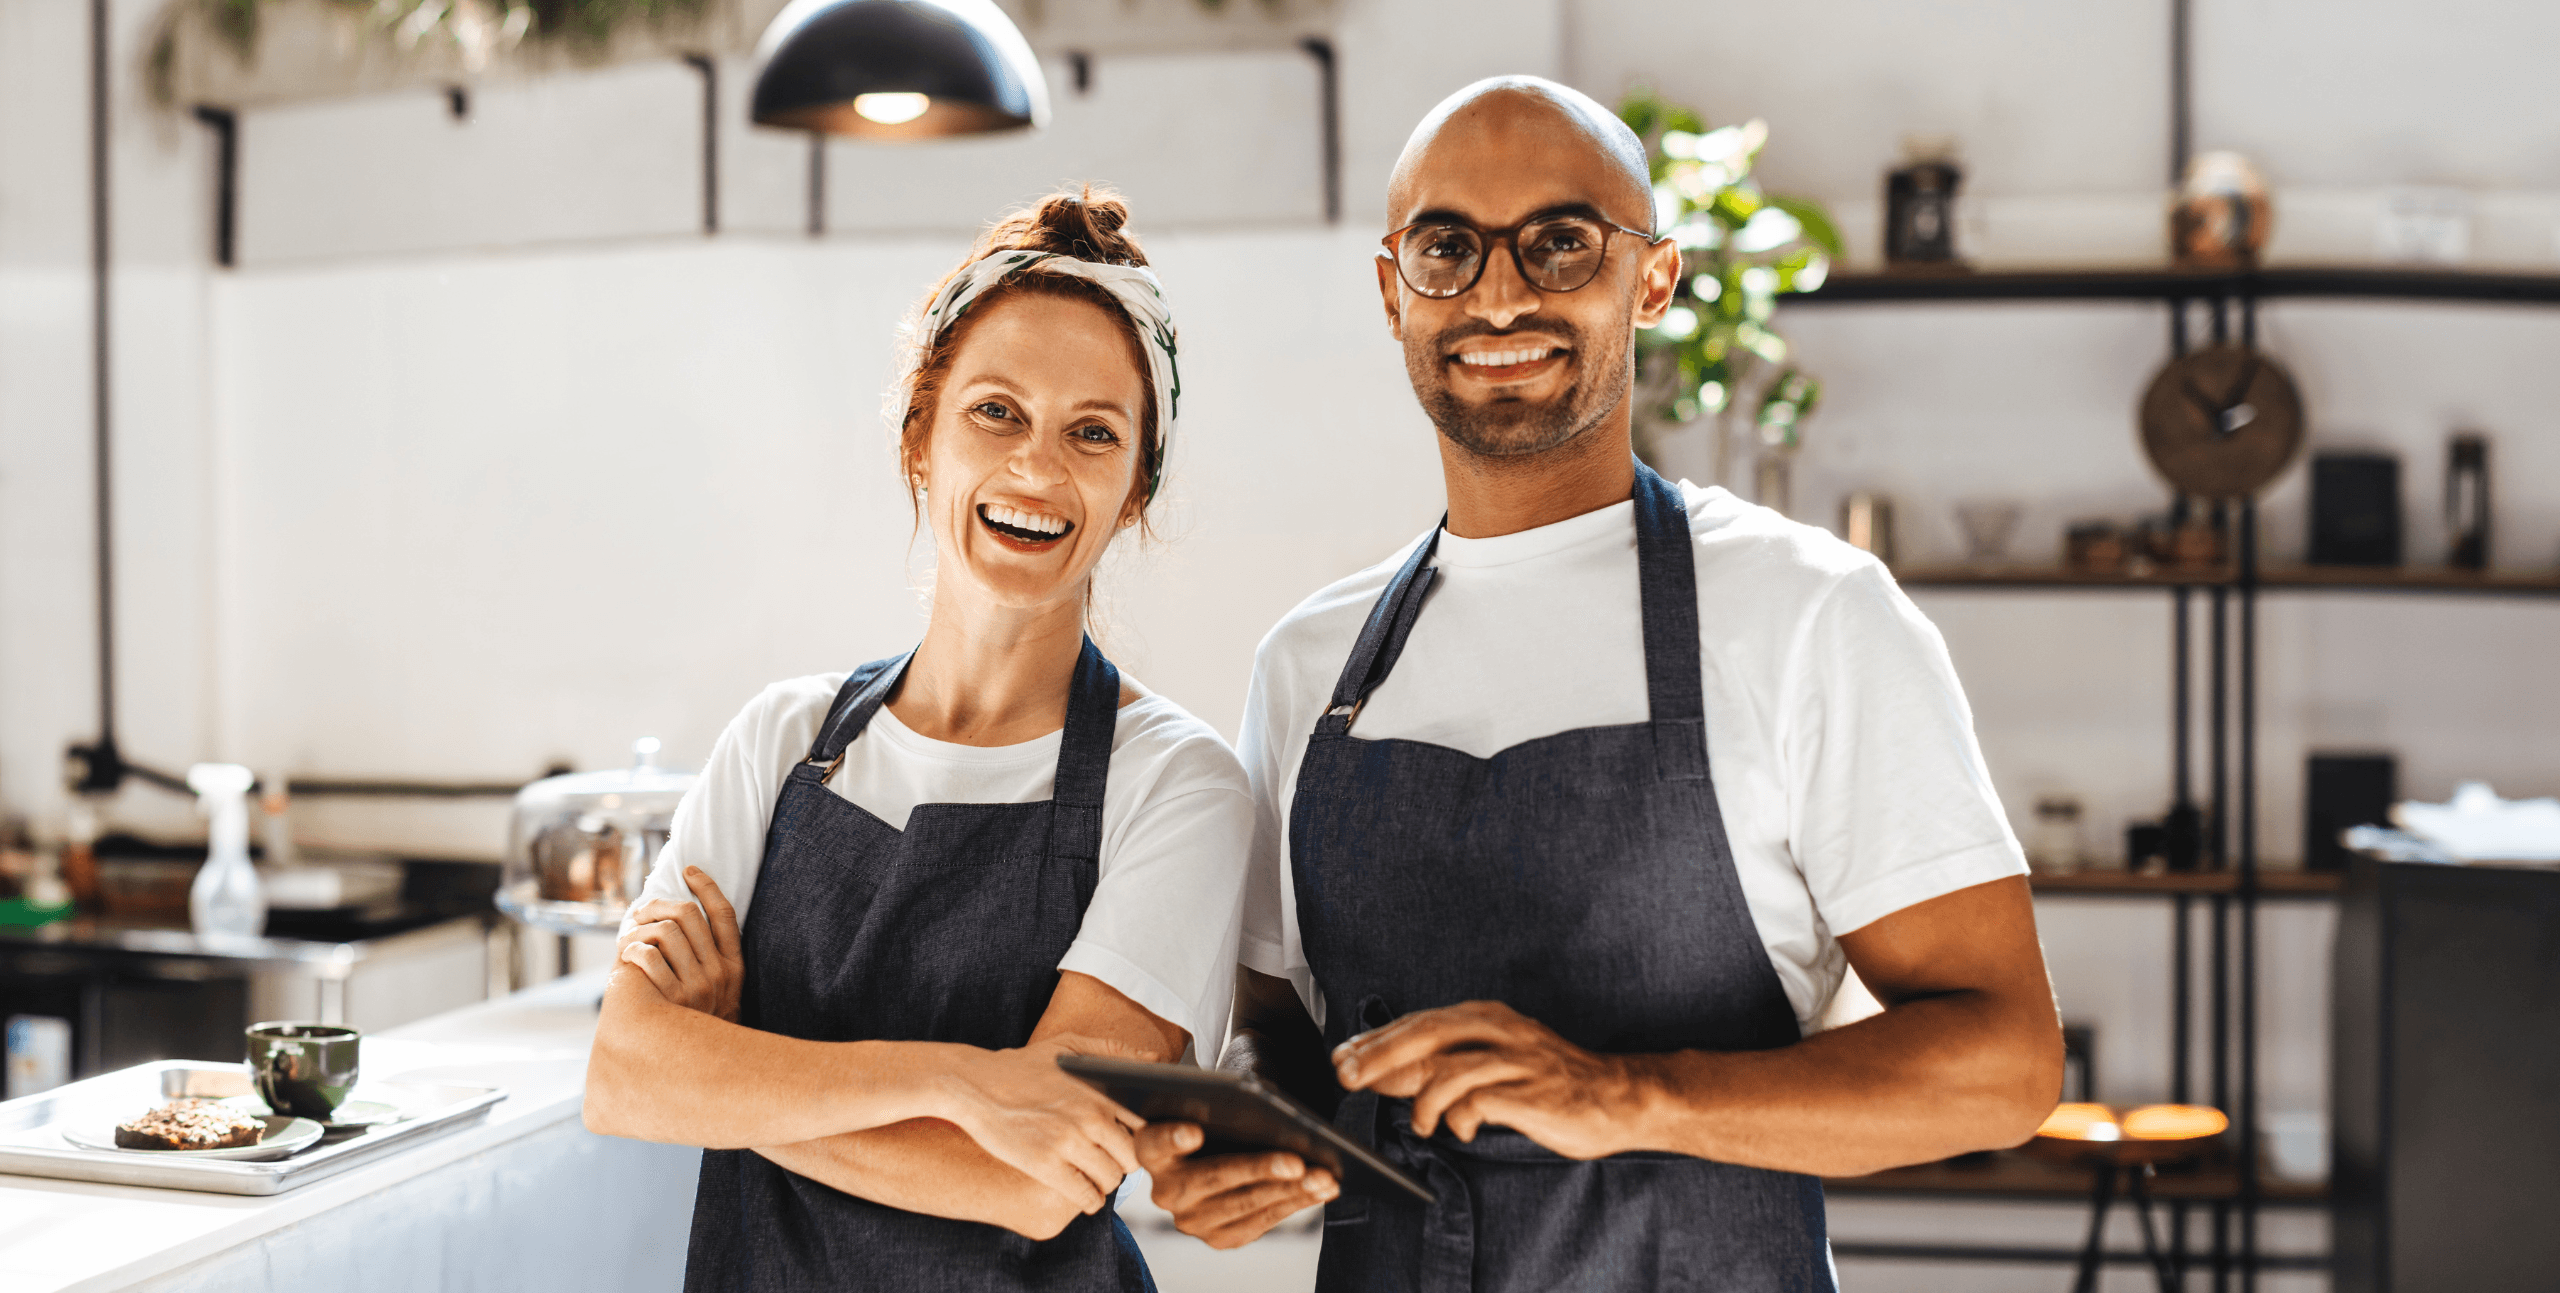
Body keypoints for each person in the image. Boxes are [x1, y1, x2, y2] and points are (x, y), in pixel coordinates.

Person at [1135, 78, 2063, 1290]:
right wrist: (1244, 1136)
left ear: (1654, 281)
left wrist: (1627, 1095)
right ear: (1391, 291)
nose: (1500, 293)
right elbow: (1278, 1029)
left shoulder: (1807, 616)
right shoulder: (1313, 664)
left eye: (1561, 243)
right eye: (1446, 248)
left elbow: (2003, 1069)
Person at [584, 188, 1258, 1293]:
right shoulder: (783, 741)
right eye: (995, 412)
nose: (1037, 469)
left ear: (1135, 489)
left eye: (1092, 433)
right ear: (919, 438)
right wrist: (963, 1084)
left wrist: (732, 1064)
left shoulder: (1175, 785)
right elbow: (624, 1075)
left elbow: (1038, 1181)